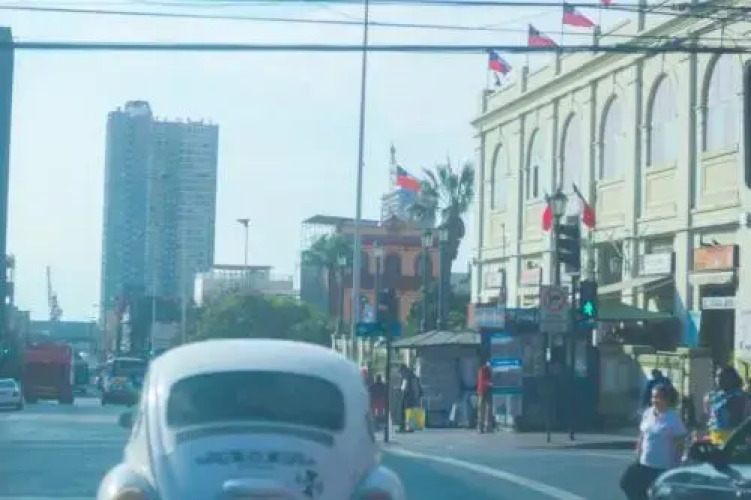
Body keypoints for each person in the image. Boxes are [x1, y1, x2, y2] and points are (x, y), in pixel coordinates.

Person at [621, 384, 686, 500]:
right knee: (626, 482)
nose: (654, 400)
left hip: (662, 466)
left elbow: (680, 444)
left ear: (667, 400)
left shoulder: (673, 419)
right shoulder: (648, 413)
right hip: (644, 463)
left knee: (658, 494)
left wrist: (677, 465)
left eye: (658, 397)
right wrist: (638, 452)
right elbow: (642, 435)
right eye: (653, 397)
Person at [704, 365, 746, 446]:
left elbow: (737, 421)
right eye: (717, 376)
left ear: (732, 378)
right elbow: (710, 418)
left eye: (723, 376)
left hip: (730, 438)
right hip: (714, 436)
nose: (719, 379)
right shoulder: (713, 396)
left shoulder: (738, 396)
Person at [398, 364, 421, 433]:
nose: (400, 374)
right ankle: (409, 427)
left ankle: (404, 427)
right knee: (410, 412)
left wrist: (400, 390)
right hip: (411, 396)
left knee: (405, 412)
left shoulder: (407, 375)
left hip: (407, 396)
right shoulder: (411, 375)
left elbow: (404, 387)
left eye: (400, 372)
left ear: (403, 370)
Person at [476, 360, 493, 433]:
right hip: (483, 390)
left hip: (486, 390)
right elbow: (482, 380)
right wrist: (489, 383)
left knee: (488, 408)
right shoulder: (483, 369)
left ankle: (486, 426)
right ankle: (482, 426)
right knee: (482, 408)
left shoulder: (486, 369)